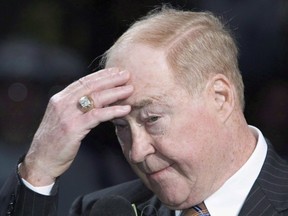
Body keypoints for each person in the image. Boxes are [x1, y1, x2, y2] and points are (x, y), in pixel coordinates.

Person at [1, 6, 288, 216]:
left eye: (152, 119)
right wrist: (38, 171)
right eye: (120, 125)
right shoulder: (100, 211)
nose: (136, 152)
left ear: (220, 98)